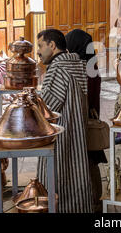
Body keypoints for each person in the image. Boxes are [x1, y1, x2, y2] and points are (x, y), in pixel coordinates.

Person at [36, 29, 93, 213]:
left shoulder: (58, 68)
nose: (38, 51)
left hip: (60, 136)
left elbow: (47, 109)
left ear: (52, 46)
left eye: (40, 46)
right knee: (76, 174)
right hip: (77, 132)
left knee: (57, 178)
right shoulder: (76, 64)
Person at [65, 29, 107, 213]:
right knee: (91, 161)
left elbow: (86, 95)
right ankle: (95, 201)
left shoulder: (80, 66)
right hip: (90, 116)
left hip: (83, 120)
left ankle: (94, 203)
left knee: (87, 162)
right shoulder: (91, 64)